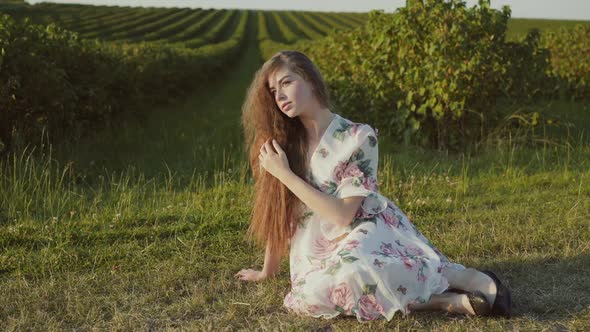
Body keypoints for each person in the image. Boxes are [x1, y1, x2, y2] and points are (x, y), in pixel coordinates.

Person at [236, 50, 512, 322]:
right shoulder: (282, 143)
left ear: (309, 79)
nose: (280, 95)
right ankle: (442, 301)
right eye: (273, 90)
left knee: (359, 267)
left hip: (362, 228)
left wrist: (284, 174)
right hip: (314, 249)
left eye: (287, 82)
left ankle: (462, 277)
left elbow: (343, 215)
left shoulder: (357, 137)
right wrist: (267, 271)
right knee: (314, 294)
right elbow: (277, 208)